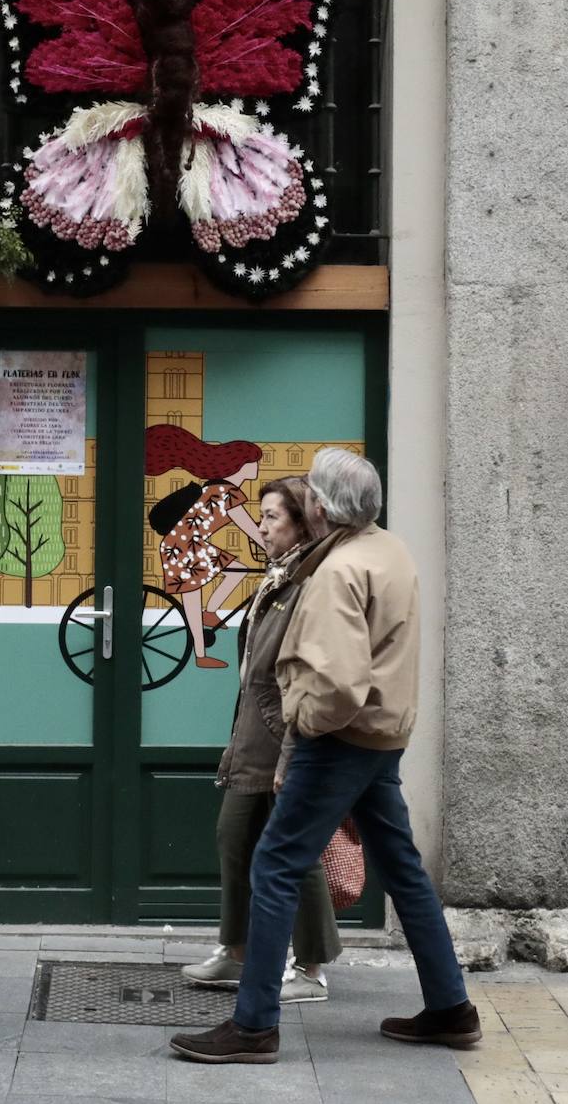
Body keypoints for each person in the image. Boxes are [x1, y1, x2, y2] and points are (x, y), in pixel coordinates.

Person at [170, 447, 481, 1064]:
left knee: (276, 865)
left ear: (321, 505)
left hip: (338, 740)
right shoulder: (387, 550)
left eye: (311, 490)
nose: (306, 496)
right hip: (380, 737)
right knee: (403, 873)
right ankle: (452, 1009)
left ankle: (255, 1025)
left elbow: (338, 684)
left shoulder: (339, 571)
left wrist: (303, 729)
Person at [182, 477, 341, 1002]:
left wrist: (291, 740)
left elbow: (304, 671)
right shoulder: (280, 575)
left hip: (281, 732)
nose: (264, 525)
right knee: (234, 836)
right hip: (253, 730)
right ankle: (238, 951)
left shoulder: (307, 582)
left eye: (273, 516)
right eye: (264, 515)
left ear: (300, 522)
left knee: (294, 848)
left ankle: (312, 968)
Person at [145, 424, 266, 667]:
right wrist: (272, 546)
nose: (257, 467)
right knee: (193, 599)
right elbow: (247, 527)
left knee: (237, 571)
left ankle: (208, 614)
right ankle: (200, 655)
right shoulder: (225, 491)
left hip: (188, 544)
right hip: (184, 546)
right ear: (240, 465)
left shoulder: (216, 488)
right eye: (254, 461)